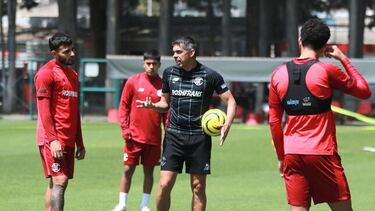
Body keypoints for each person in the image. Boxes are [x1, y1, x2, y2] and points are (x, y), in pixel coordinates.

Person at [269, 18, 371, 211]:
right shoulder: (327, 70)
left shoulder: (278, 74)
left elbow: (274, 121)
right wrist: (343, 58)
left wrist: (281, 157)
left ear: (300, 40)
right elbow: (364, 91)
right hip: (322, 153)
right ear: (325, 47)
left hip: (292, 154)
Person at [137, 36, 237, 211]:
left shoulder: (210, 75)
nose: (174, 55)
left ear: (191, 52)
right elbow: (165, 104)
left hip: (199, 138)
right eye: (173, 52)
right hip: (174, 136)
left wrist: (227, 124)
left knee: (198, 187)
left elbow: (230, 101)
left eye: (179, 52)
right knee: (164, 184)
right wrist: (153, 105)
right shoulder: (169, 73)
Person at [34, 32, 86, 211]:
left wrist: (79, 141)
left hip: (68, 138)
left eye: (72, 50)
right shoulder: (45, 74)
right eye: (66, 52)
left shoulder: (73, 75)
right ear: (54, 54)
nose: (72, 54)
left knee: (55, 182)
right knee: (60, 180)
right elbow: (44, 111)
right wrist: (53, 140)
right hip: (52, 139)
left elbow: (74, 110)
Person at [112, 50, 167, 211]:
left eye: (154, 64)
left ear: (159, 65)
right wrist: (125, 128)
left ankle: (144, 205)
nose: (151, 67)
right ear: (143, 64)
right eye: (148, 64)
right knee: (128, 169)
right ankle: (122, 204)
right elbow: (123, 106)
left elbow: (166, 112)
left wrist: (167, 134)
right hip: (133, 137)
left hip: (154, 138)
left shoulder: (164, 85)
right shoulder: (132, 82)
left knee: (149, 172)